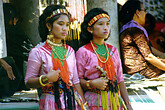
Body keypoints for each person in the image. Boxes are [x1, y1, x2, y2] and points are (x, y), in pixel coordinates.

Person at [25, 5, 87, 110]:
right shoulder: (38, 52)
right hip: (50, 102)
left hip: (71, 101)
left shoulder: (70, 51)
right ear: (49, 25)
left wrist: (84, 104)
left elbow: (75, 81)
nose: (65, 29)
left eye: (67, 25)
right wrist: (46, 79)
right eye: (60, 24)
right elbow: (28, 82)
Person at [76, 8, 133, 110]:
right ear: (90, 29)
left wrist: (128, 104)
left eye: (107, 24)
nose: (105, 27)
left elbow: (120, 80)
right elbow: (77, 81)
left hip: (115, 102)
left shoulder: (113, 51)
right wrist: (91, 84)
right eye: (101, 24)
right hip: (93, 102)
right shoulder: (83, 52)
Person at [119, 0, 165, 78]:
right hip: (140, 69)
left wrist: (163, 55)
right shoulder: (134, 30)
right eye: (144, 10)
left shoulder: (129, 28)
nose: (145, 13)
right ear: (137, 12)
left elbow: (149, 49)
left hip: (136, 67)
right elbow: (148, 56)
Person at [0, 3, 33, 98]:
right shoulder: (15, 32)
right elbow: (30, 52)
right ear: (13, 19)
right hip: (16, 83)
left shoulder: (5, 33)